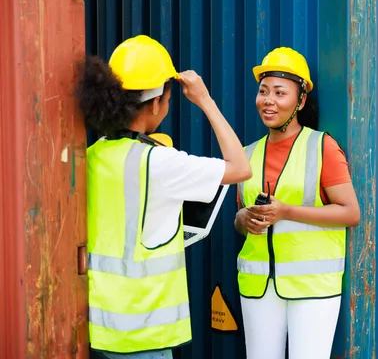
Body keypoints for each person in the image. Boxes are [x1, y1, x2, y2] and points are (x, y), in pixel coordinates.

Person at [75, 35, 252, 359]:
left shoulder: (91, 155)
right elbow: (241, 167)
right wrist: (205, 100)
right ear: (156, 102)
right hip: (146, 333)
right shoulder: (159, 162)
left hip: (104, 330)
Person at [234, 47, 360, 359]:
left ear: (300, 101)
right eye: (263, 92)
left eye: (280, 92)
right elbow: (239, 220)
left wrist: (286, 211)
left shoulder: (322, 147)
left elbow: (350, 212)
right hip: (258, 285)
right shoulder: (247, 155)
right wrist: (243, 219)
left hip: (312, 287)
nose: (268, 101)